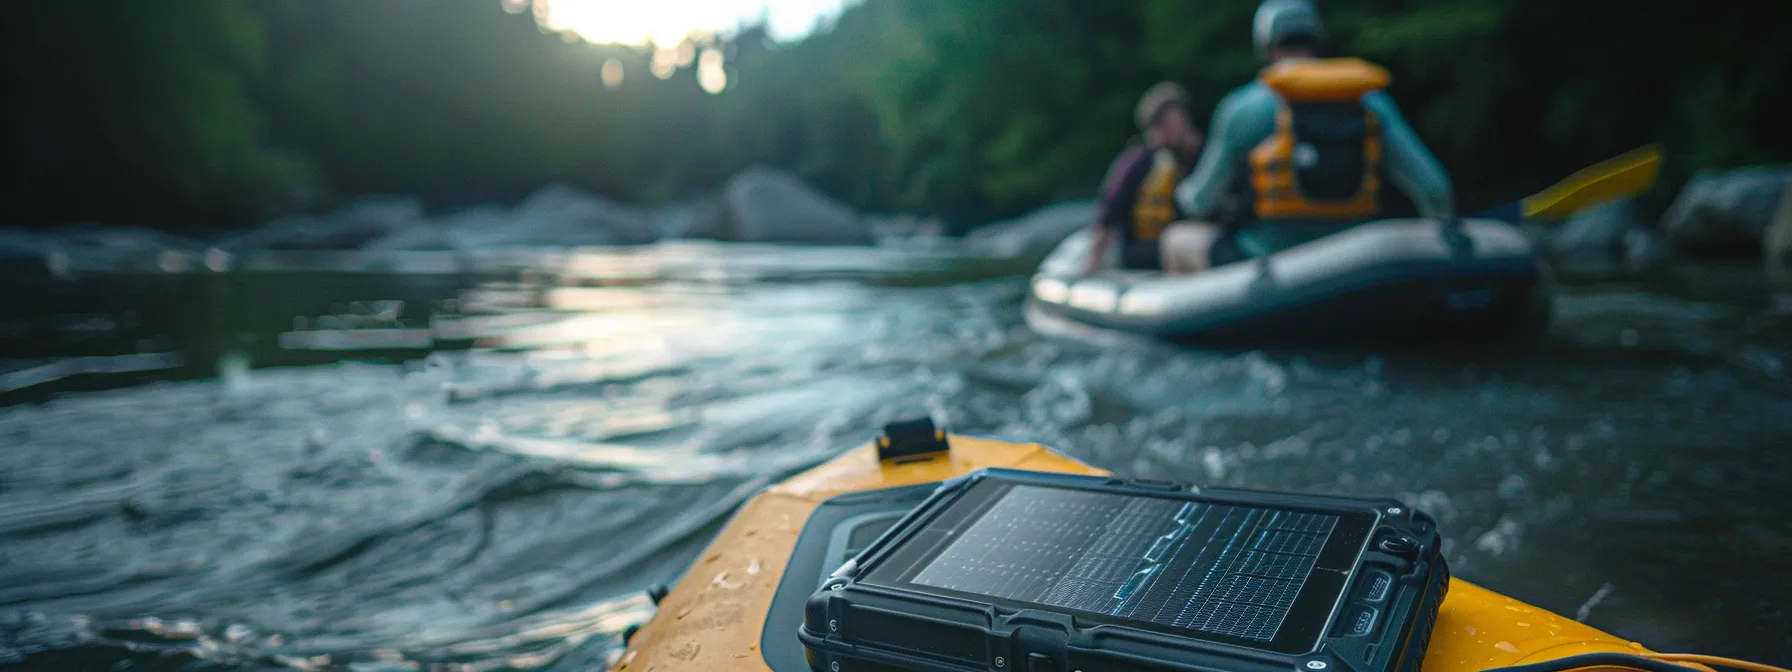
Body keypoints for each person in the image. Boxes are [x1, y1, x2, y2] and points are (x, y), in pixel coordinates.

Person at [1172, 0, 1458, 264]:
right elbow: (1435, 188)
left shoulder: (1241, 108)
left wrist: (1181, 192)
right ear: (1315, 38)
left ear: (1265, 45)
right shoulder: (1369, 101)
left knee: (1179, 241)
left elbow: (1201, 202)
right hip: (1357, 259)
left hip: (1267, 258)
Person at [1082, 82, 1221, 276]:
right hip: (1146, 247)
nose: (1164, 134)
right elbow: (1108, 217)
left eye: (1171, 123)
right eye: (1160, 126)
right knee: (1175, 241)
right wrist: (1091, 265)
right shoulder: (1137, 162)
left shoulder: (1208, 154)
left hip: (1197, 236)